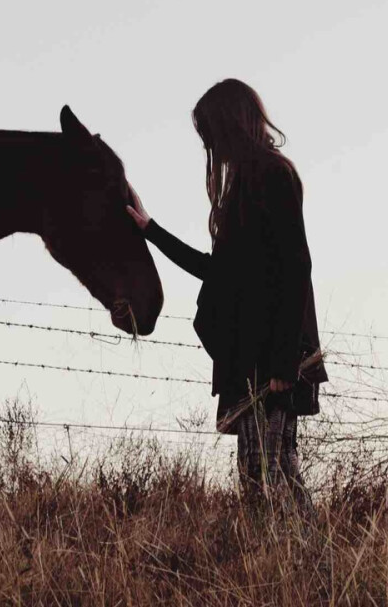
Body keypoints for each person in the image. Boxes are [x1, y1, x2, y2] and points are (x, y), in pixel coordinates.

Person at [126, 78, 327, 508]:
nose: (210, 146)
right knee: (263, 474)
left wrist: (284, 362)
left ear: (231, 127)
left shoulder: (274, 175)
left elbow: (296, 269)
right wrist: (151, 230)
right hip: (251, 355)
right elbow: (219, 273)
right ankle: (290, 563)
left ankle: (301, 563)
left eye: (211, 134)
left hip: (273, 357)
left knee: (269, 474)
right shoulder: (245, 186)